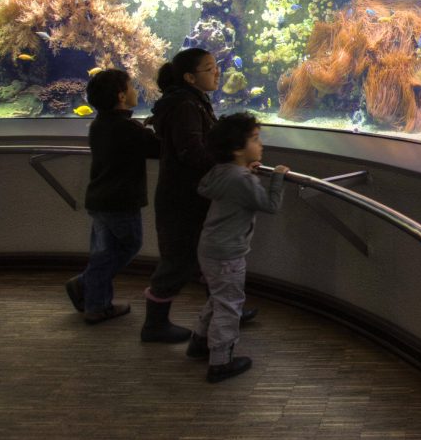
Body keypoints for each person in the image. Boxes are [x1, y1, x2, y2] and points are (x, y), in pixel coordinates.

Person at [185, 112, 287, 383]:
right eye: (255, 139)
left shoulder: (221, 172)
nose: (261, 144)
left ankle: (199, 341)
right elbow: (270, 206)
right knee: (230, 304)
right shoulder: (242, 179)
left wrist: (246, 171)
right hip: (229, 253)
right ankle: (220, 361)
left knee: (217, 297)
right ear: (237, 149)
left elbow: (211, 186)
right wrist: (277, 178)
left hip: (209, 248)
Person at [140, 47, 222, 343]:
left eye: (216, 66)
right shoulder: (186, 105)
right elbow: (191, 151)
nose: (217, 73)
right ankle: (154, 325)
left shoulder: (189, 101)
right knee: (178, 261)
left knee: (205, 256)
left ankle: (224, 309)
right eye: (210, 68)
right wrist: (227, 166)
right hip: (183, 198)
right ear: (189, 77)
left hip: (188, 195)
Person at [64, 69, 160, 323]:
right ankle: (93, 300)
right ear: (121, 96)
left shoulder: (98, 124)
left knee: (103, 252)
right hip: (121, 202)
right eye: (131, 87)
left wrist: (143, 127)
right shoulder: (128, 128)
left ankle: (98, 300)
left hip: (98, 198)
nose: (135, 90)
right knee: (128, 246)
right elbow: (158, 149)